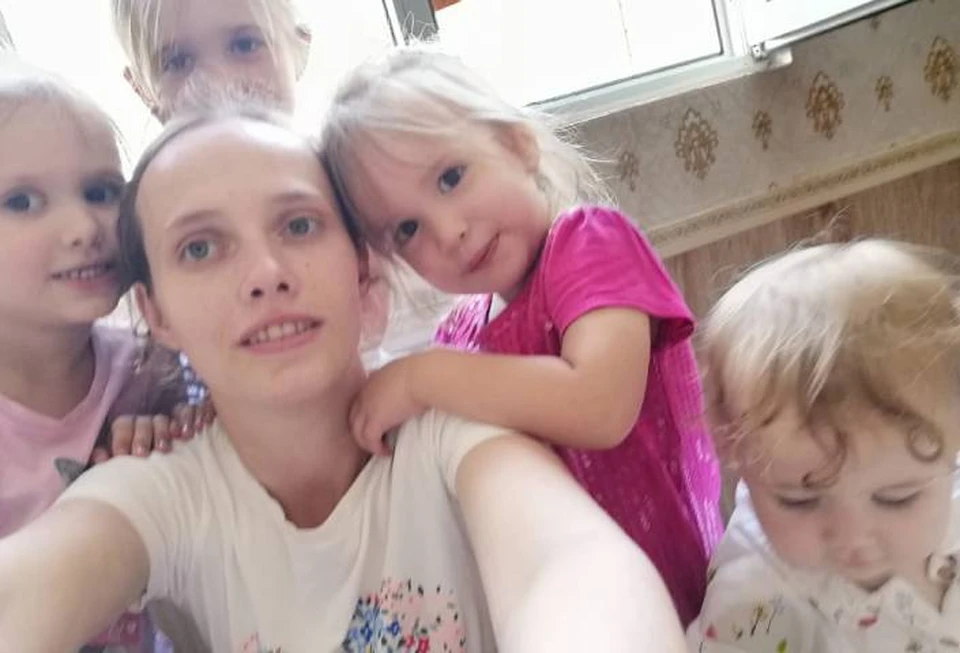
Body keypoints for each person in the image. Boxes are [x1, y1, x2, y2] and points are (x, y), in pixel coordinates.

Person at [0, 107, 685, 653]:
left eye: (299, 224)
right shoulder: (157, 491)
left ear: (360, 265)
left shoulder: (455, 423)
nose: (266, 273)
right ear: (155, 313)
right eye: (200, 247)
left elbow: (574, 567)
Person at [322, 45, 723, 625]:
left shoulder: (588, 243)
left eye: (451, 177)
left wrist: (420, 378)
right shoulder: (461, 333)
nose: (449, 231)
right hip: (550, 608)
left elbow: (599, 405)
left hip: (662, 600)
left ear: (516, 144)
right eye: (407, 229)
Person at [0, 57, 202, 652]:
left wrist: (176, 433)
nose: (83, 227)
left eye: (101, 192)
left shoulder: (152, 369)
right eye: (21, 201)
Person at [689, 239, 960, 652]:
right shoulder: (754, 604)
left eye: (897, 498)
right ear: (730, 448)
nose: (853, 537)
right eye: (799, 501)